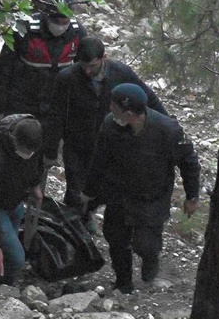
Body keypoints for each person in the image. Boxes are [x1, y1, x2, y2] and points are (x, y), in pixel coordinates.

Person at [80, 83, 201, 294]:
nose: (110, 109)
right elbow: (98, 161)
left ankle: (150, 261)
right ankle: (123, 282)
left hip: (151, 197)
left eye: (113, 106)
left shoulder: (168, 131)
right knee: (116, 240)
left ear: (128, 113)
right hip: (119, 194)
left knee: (146, 245)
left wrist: (192, 196)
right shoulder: (110, 126)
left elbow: (189, 163)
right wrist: (89, 193)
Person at [42, 36, 169, 232]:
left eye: (92, 65)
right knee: (76, 190)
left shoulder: (121, 73)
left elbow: (147, 98)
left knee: (104, 187)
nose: (87, 70)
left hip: (111, 143)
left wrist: (168, 125)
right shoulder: (67, 78)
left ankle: (89, 215)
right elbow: (55, 115)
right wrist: (50, 151)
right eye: (82, 65)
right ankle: (74, 229)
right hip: (77, 142)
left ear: (104, 58)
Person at [0, 0, 87, 125]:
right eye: (56, 21)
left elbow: (83, 72)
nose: (60, 26)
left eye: (65, 22)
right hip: (21, 102)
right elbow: (3, 70)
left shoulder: (77, 33)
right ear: (46, 16)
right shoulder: (25, 30)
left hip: (56, 104)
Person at [0, 114, 45, 286]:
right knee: (16, 258)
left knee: (6, 255)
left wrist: (35, 185)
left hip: (15, 201)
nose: (28, 155)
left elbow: (34, 164)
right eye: (25, 151)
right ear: (14, 139)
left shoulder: (33, 139)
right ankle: (2, 287)